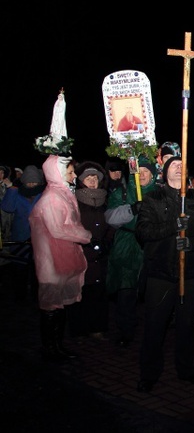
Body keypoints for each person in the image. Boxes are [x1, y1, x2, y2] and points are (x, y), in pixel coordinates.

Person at [134, 157, 194, 392]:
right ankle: (149, 373)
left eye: (182, 164)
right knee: (155, 326)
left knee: (186, 325)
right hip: (160, 272)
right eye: (173, 164)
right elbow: (143, 231)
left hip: (190, 272)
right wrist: (173, 226)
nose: (178, 166)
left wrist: (193, 242)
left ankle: (186, 369)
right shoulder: (153, 199)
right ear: (164, 172)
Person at [29, 155, 92, 362]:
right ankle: (50, 348)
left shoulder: (60, 193)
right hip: (52, 261)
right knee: (51, 306)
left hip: (60, 257)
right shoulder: (52, 198)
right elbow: (58, 228)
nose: (74, 176)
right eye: (70, 172)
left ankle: (57, 345)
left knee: (58, 306)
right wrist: (85, 235)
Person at [104, 158, 158, 348]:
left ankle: (154, 331)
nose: (142, 174)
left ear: (153, 174)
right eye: (138, 171)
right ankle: (126, 330)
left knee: (152, 290)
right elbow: (110, 218)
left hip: (152, 246)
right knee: (126, 291)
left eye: (146, 171)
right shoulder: (123, 192)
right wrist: (132, 209)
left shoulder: (160, 193)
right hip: (127, 245)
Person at [67, 162, 115, 340]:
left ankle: (97, 327)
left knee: (98, 292)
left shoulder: (105, 200)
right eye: (88, 178)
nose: (93, 181)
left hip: (101, 254)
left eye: (95, 177)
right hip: (81, 253)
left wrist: (108, 241)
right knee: (80, 291)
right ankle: (79, 329)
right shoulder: (73, 201)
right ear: (81, 181)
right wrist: (84, 241)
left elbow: (111, 223)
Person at [1, 164, 46, 303]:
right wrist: (12, 191)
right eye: (28, 181)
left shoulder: (44, 194)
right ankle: (19, 299)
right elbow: (7, 208)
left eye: (34, 181)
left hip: (40, 240)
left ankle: (35, 298)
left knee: (37, 273)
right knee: (19, 272)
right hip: (20, 239)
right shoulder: (17, 193)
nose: (31, 184)